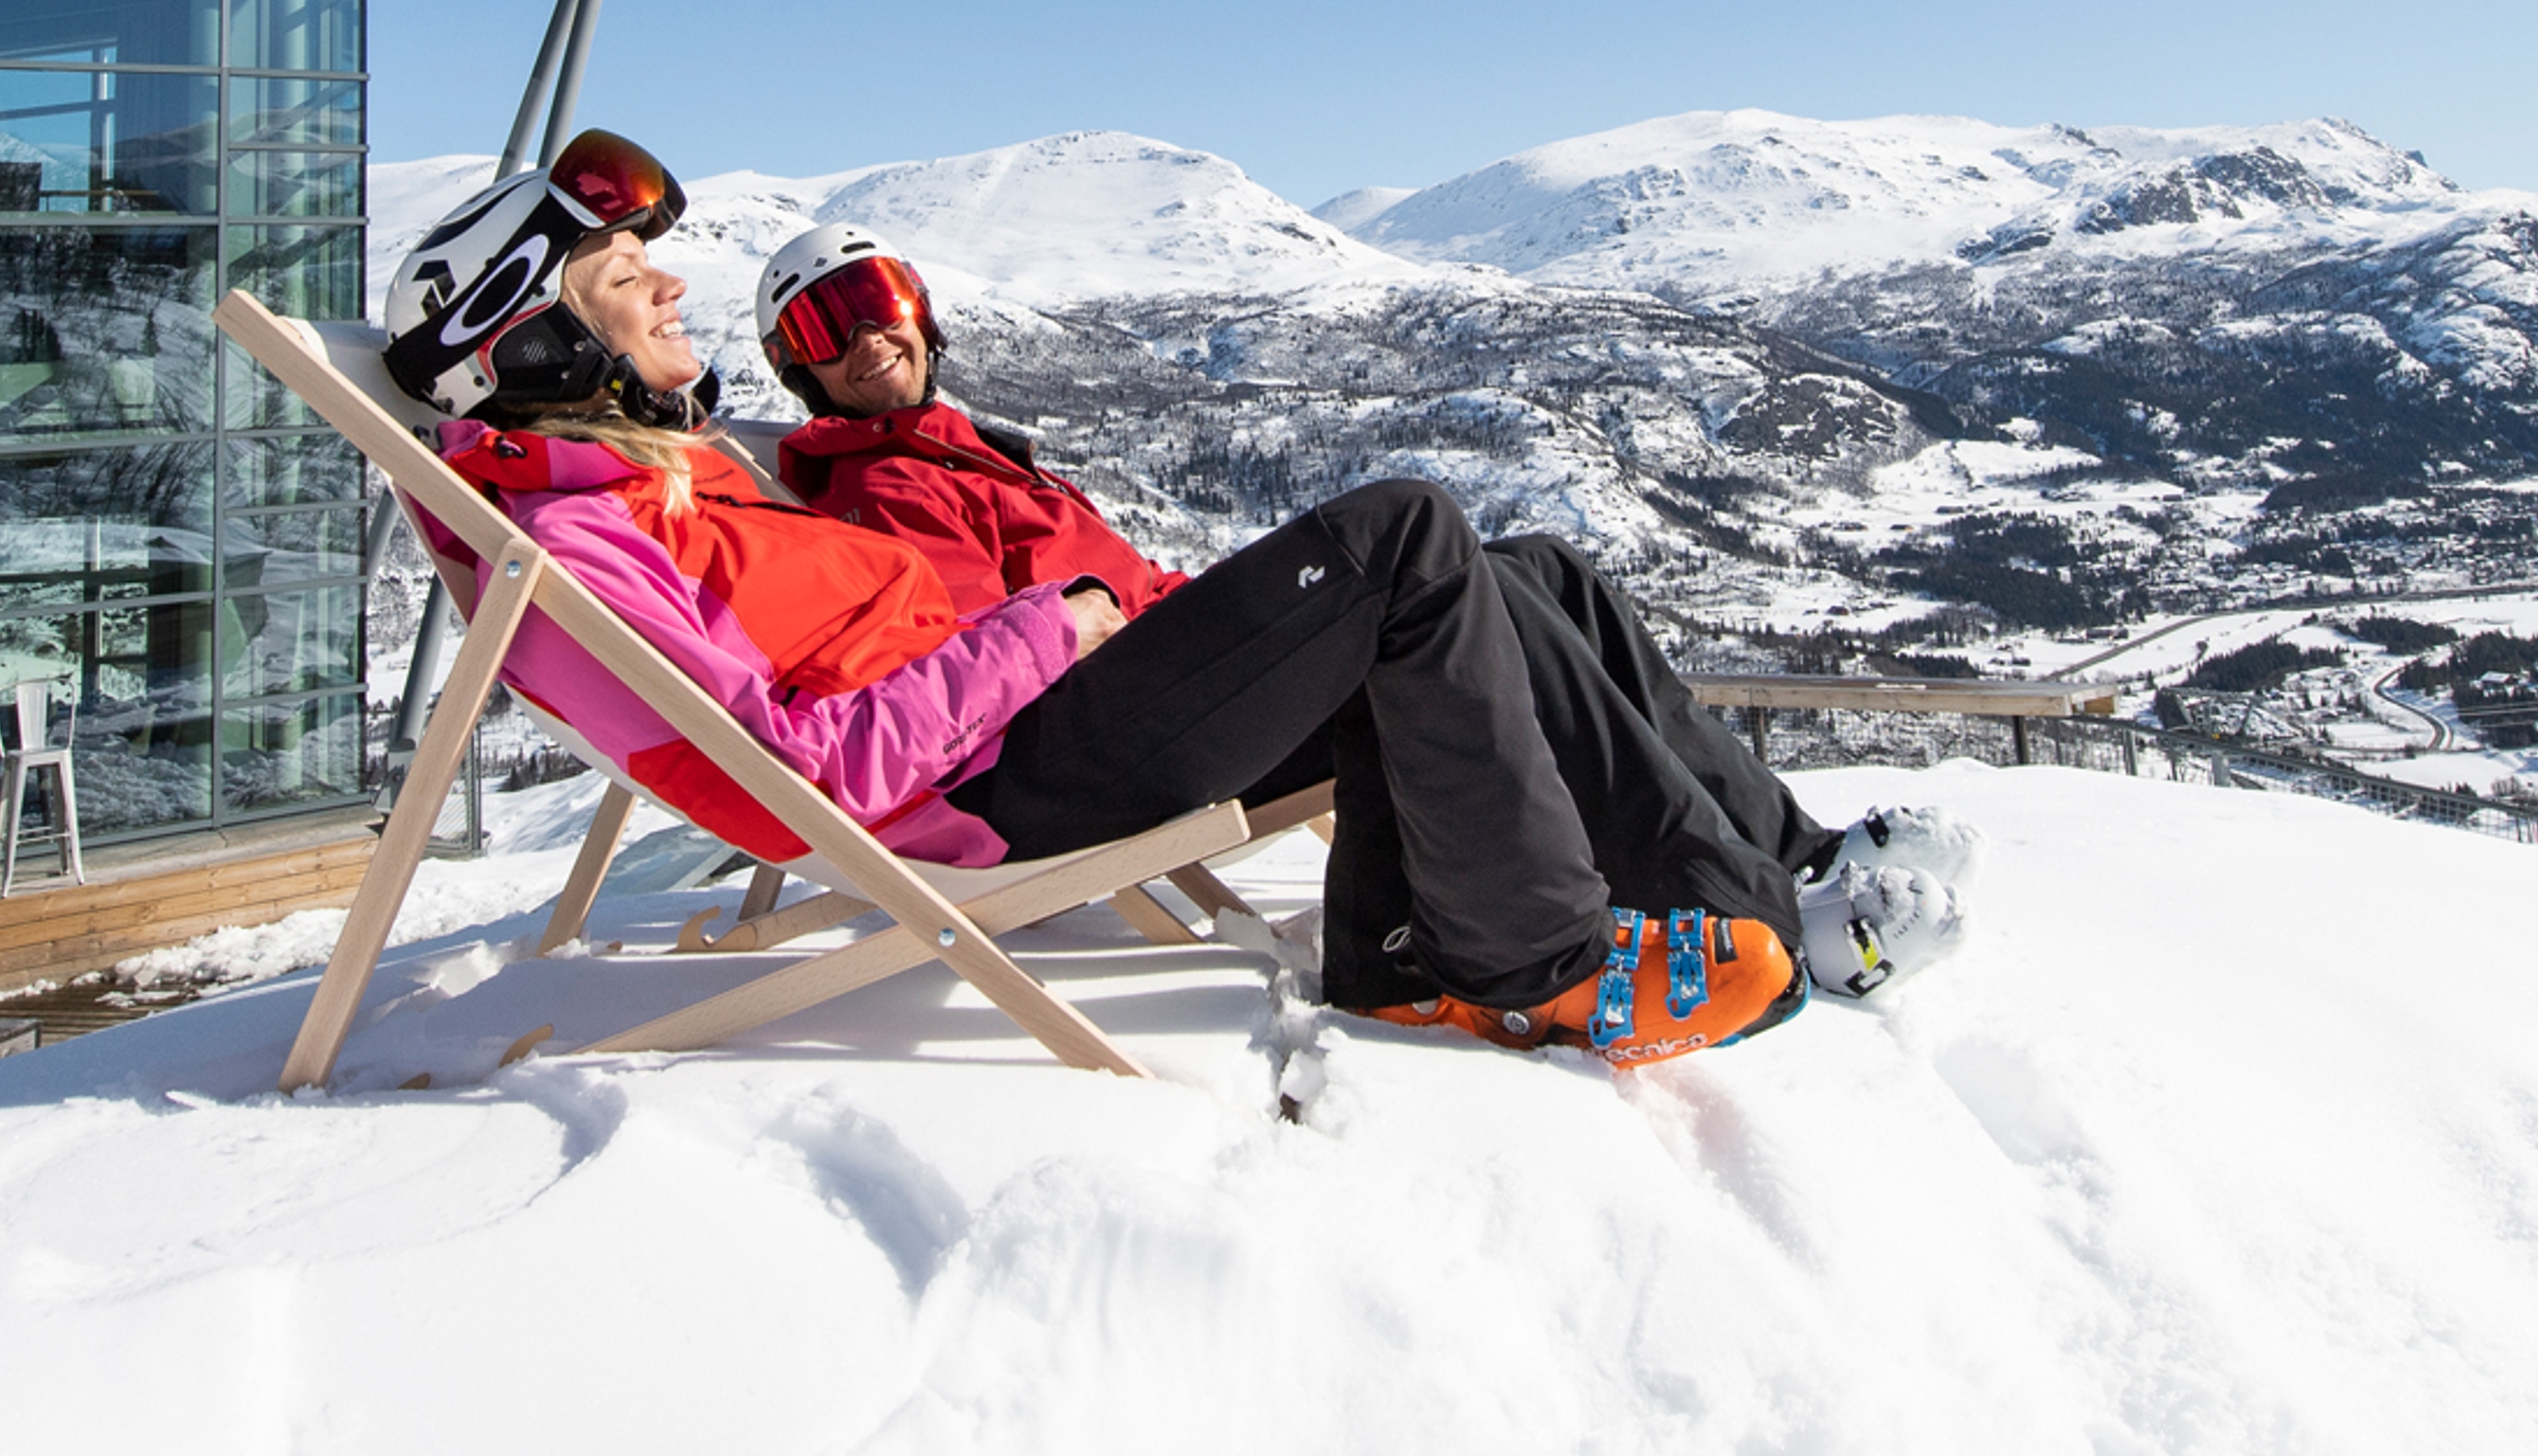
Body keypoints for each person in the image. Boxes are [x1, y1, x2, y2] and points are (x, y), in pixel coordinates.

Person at [390, 131, 1814, 1067]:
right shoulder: (579, 548)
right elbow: (792, 782)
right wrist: (1053, 623)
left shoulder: (658, 489)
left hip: (1041, 722)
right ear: (532, 342)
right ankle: (1540, 963)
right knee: (1405, 536)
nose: (671, 284)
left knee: (1505, 574)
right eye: (629, 275)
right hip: (1004, 781)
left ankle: (1434, 950)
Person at [753, 223, 1972, 1002]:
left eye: (876, 298)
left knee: (1534, 568)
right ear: (796, 369)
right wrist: (1135, 629)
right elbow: (973, 660)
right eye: (822, 324)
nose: (863, 336)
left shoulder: (973, 455)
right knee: (1412, 535)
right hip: (1069, 760)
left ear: (921, 310)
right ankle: (1751, 917)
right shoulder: (880, 492)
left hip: (1143, 703)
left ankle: (1795, 850)